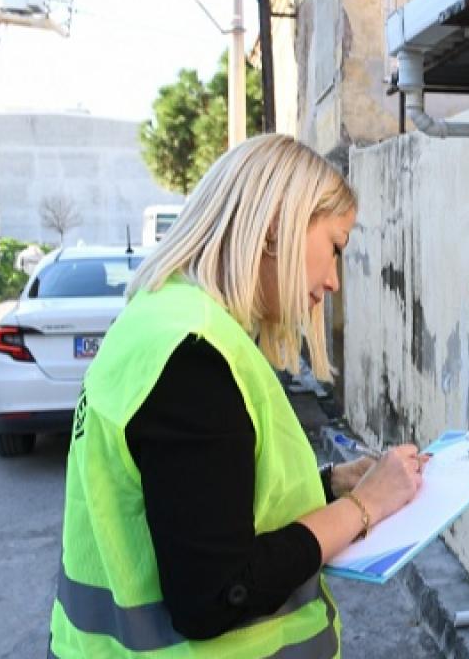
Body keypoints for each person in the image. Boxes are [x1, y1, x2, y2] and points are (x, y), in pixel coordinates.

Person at [49, 134, 426, 658]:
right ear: (277, 227)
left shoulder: (163, 322)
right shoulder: (195, 355)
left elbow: (198, 508)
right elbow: (215, 593)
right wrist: (367, 506)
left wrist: (331, 486)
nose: (335, 280)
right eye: (335, 247)